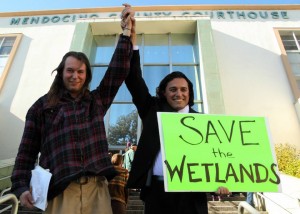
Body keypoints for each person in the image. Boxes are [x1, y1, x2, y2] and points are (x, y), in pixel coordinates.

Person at [10, 6, 135, 214]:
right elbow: (26, 153)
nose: (75, 76)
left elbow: (117, 70)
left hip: (97, 189)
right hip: (60, 191)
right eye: (70, 70)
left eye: (80, 71)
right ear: (61, 72)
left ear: (86, 76)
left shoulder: (96, 101)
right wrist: (21, 187)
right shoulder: (41, 107)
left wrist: (126, 33)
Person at [123, 5, 230, 214]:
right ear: (163, 92)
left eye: (183, 89)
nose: (178, 94)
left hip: (193, 197)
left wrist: (222, 182)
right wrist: (131, 36)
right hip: (157, 194)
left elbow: (217, 158)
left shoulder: (205, 124)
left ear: (190, 93)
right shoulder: (152, 111)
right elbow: (134, 79)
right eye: (172, 89)